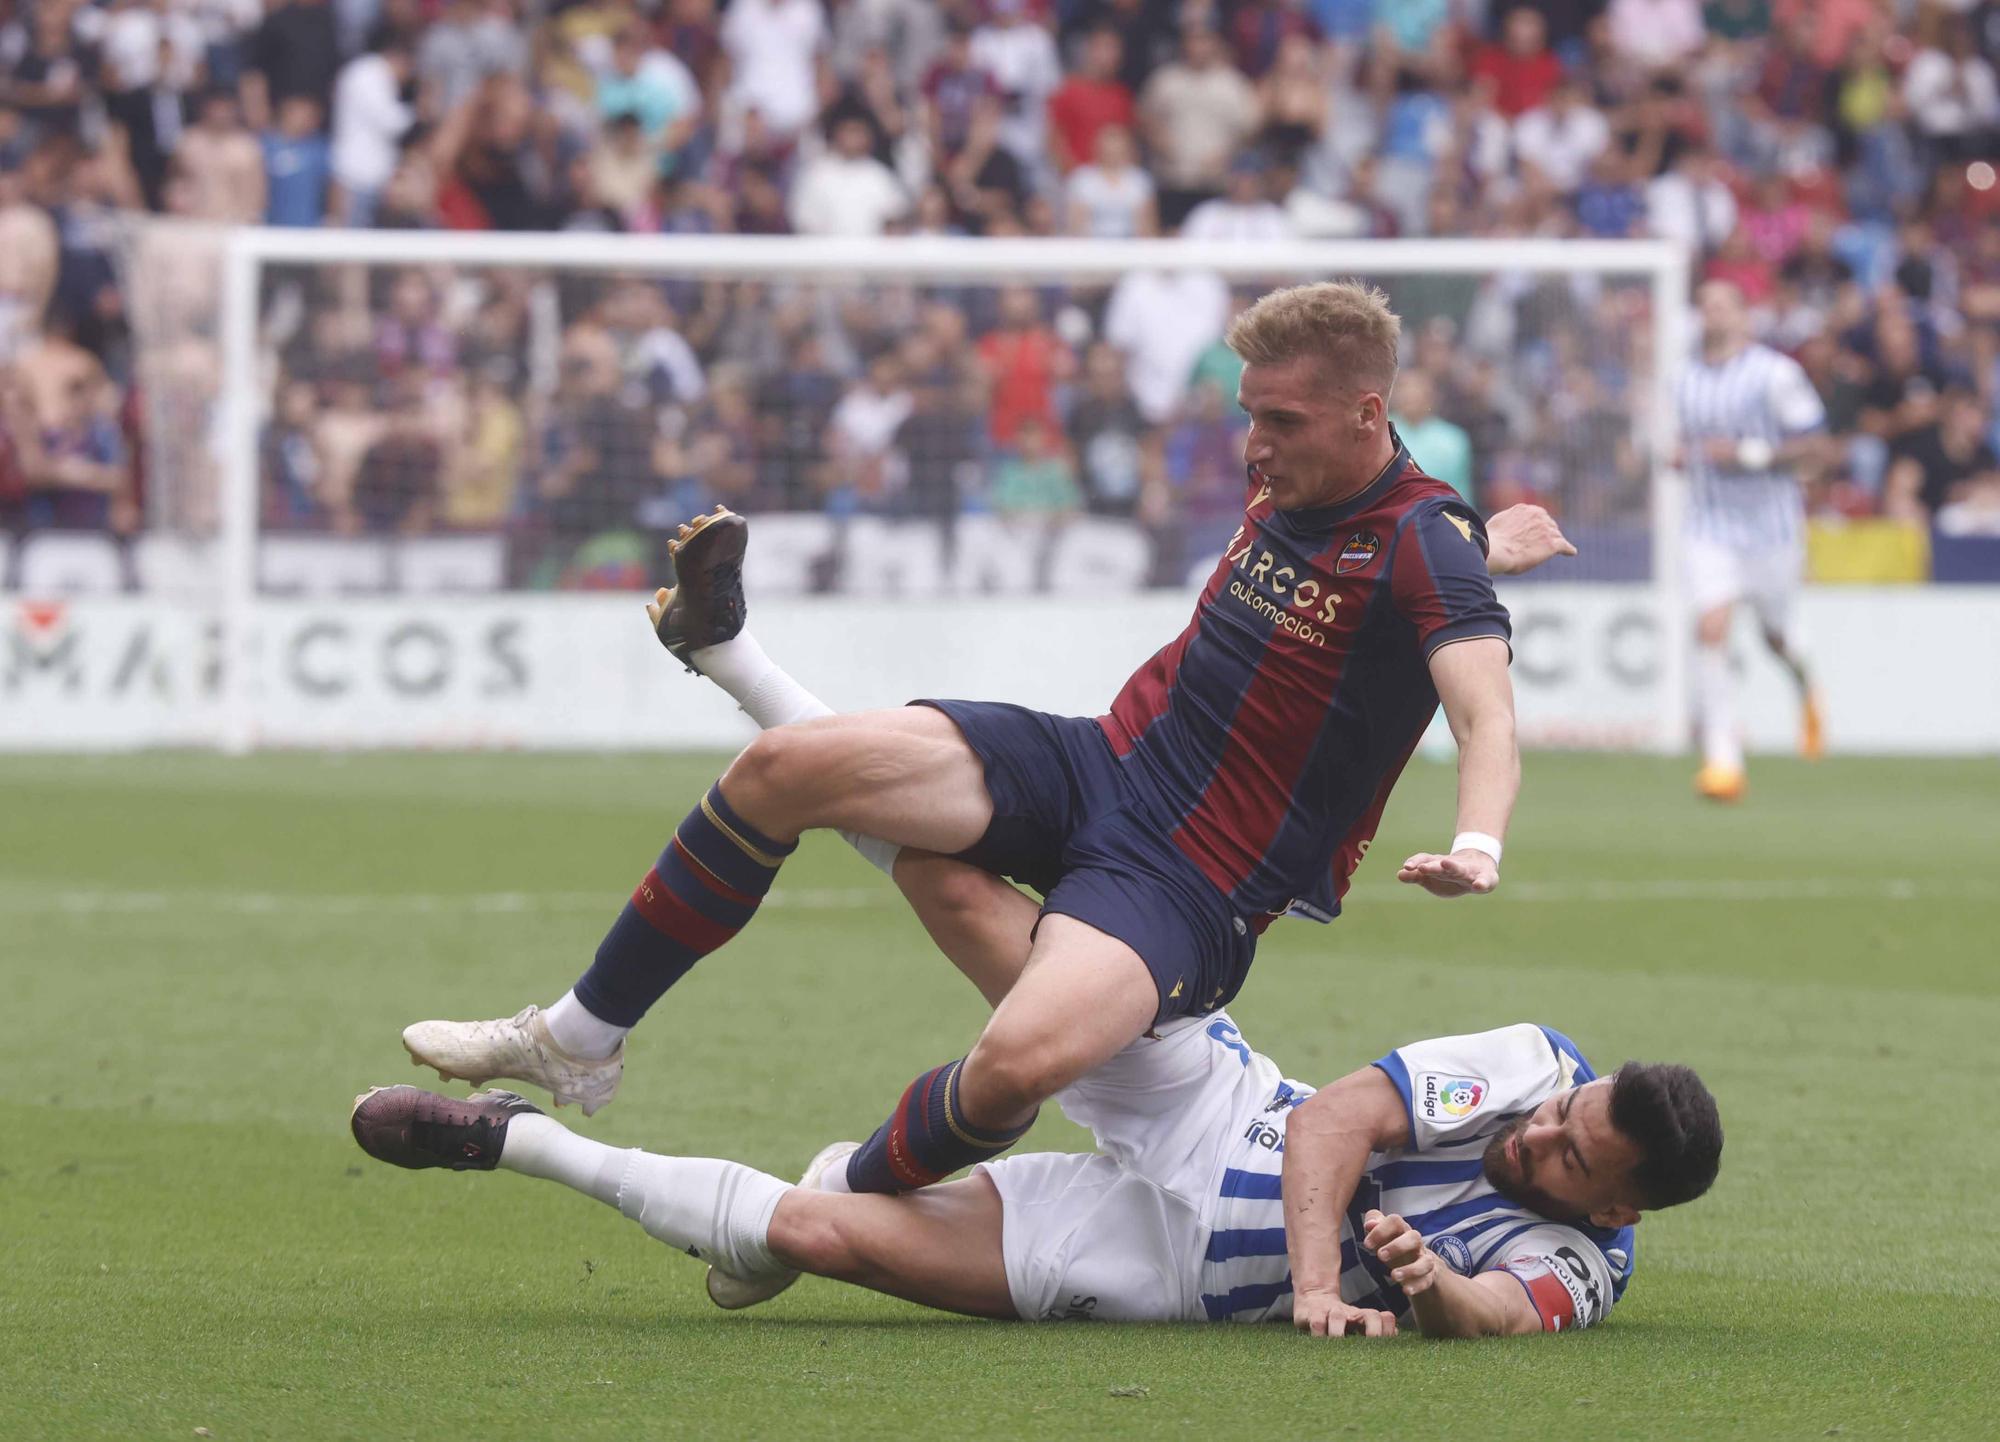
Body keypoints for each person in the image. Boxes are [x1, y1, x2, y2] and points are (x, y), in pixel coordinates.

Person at [401, 282, 1576, 1297]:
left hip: (1189, 884)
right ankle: (575, 1040)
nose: (1251, 448)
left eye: (1279, 421)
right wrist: (1482, 535)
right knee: (783, 770)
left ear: (1367, 414)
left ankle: (837, 1200)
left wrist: (1478, 839)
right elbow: (1408, 523)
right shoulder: (1340, 493)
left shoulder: (1423, 544)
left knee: (1016, 1063)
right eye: (1244, 417)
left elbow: (1483, 708)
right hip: (1097, 761)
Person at [355, 1011, 1722, 1335]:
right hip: (1230, 1116)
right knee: (1026, 936)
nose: (1538, 1131)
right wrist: (1328, 1276)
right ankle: (745, 669)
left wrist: (1431, 1288)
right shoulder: (1539, 1061)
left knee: (829, 1232)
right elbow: (1336, 1123)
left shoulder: (1585, 1264)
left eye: (1568, 1154)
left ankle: (516, 1142)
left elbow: (1498, 1316)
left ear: (1616, 1205)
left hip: (1164, 1266)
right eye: (1565, 1112)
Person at [1678, 280, 1829, 802]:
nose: (1711, 313)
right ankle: (1723, 761)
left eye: (1721, 304)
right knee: (1711, 626)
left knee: (1776, 637)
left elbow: (1817, 448)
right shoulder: (1684, 377)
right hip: (1708, 528)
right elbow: (1679, 443)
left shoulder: (1775, 374)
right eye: (1704, 305)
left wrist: (1747, 456)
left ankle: (1805, 685)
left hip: (1771, 531)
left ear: (1744, 315)